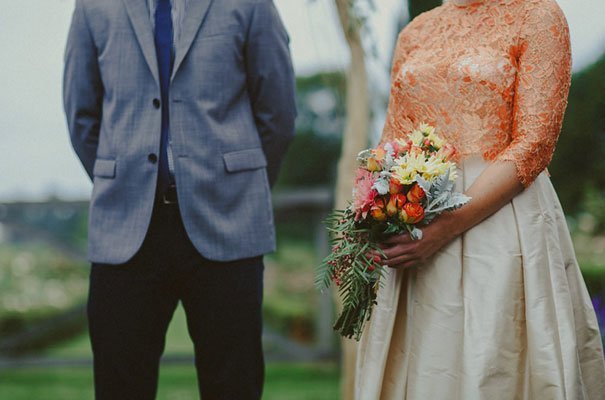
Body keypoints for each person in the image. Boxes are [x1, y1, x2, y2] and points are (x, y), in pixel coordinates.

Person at [356, 0, 605, 398]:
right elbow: (392, 141)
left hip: (502, 220)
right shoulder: (416, 30)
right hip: (416, 216)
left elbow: (535, 143)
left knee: (494, 360)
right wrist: (371, 215)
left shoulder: (537, 16)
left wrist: (446, 226)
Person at [63, 0, 296, 398]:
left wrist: (239, 186)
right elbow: (81, 116)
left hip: (228, 219)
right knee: (119, 387)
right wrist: (129, 181)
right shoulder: (92, 6)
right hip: (124, 227)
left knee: (234, 386)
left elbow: (278, 112)